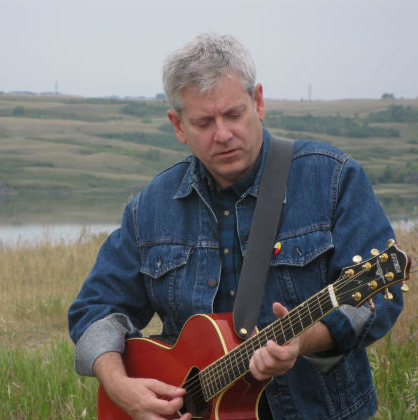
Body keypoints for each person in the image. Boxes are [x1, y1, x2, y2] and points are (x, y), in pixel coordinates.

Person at [68, 33, 403, 420]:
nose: (223, 134)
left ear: (258, 102)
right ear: (178, 126)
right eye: (204, 122)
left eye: (233, 114)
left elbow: (381, 298)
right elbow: (94, 309)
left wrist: (304, 339)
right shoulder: (151, 207)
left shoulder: (332, 179)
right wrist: (119, 386)